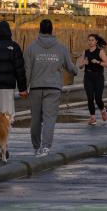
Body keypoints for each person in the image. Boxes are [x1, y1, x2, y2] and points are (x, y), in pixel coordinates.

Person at [24, 19, 78, 157]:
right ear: (52, 30)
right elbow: (70, 68)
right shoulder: (61, 48)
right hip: (53, 89)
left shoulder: (30, 48)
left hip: (35, 88)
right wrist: (78, 68)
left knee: (35, 119)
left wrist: (24, 88)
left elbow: (27, 71)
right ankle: (45, 148)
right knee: (49, 119)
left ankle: (36, 147)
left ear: (39, 30)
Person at [81, 33, 107, 126]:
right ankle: (93, 117)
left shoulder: (100, 51)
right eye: (89, 40)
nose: (90, 42)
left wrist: (98, 62)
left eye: (92, 40)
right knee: (90, 98)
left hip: (98, 77)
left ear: (96, 41)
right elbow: (80, 66)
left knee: (98, 98)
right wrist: (83, 63)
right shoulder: (85, 52)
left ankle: (103, 110)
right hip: (88, 76)